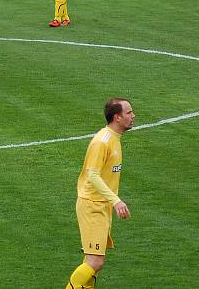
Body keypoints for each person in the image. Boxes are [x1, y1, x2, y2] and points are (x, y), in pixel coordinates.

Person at [66, 98, 135, 288]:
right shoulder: (102, 142)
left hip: (100, 206)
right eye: (128, 113)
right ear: (117, 117)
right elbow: (92, 175)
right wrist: (116, 201)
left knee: (95, 263)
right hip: (92, 205)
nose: (133, 116)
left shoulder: (114, 138)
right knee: (94, 262)